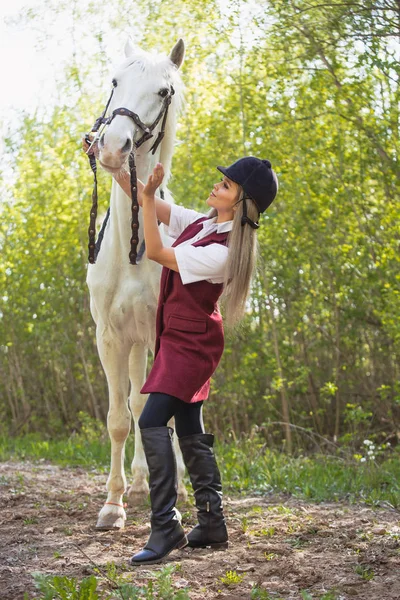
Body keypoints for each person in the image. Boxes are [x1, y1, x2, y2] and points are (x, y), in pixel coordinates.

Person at [83, 140, 278, 565]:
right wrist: (109, 158)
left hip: (191, 346)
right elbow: (138, 199)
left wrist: (151, 196)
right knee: (190, 425)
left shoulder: (223, 252)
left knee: (152, 418)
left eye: (225, 184)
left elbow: (155, 252)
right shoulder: (204, 226)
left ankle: (165, 526)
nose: (216, 185)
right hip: (180, 339)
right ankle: (211, 522)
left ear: (240, 200)